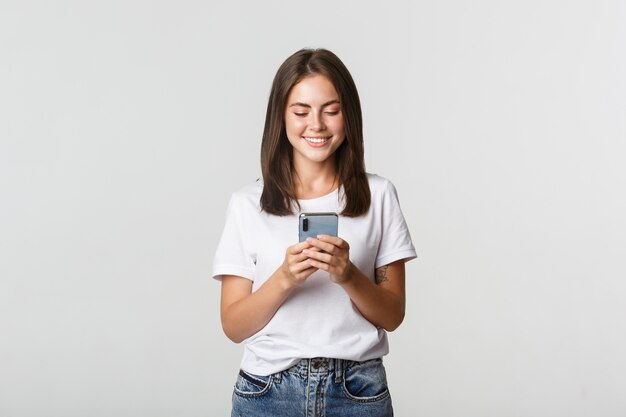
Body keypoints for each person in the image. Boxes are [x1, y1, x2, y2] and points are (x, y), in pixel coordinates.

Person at [212, 48, 416, 417]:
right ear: (281, 117)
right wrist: (285, 278)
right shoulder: (247, 203)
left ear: (348, 116)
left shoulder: (380, 196)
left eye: (331, 111)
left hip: (357, 391)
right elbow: (233, 325)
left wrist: (348, 274)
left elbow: (393, 315)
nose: (316, 125)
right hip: (268, 392)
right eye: (301, 112)